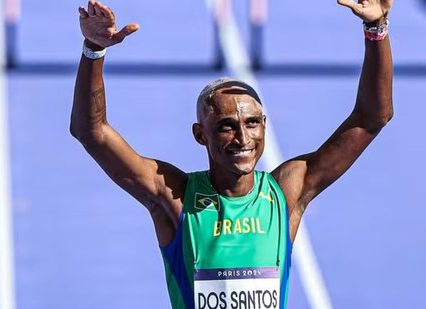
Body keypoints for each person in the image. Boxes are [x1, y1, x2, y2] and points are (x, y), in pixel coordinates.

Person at [70, 0, 393, 308]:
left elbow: (372, 118)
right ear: (201, 134)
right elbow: (92, 133)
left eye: (252, 123)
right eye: (226, 126)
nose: (243, 138)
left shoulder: (287, 192)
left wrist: (376, 28)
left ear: (264, 126)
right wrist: (94, 50)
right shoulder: (174, 195)